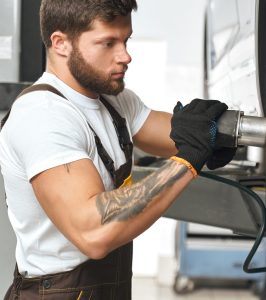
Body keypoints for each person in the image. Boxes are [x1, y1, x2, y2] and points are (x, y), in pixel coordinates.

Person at [0, 0, 234, 299]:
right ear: (61, 43)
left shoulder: (115, 101)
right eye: (107, 43)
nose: (125, 56)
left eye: (126, 40)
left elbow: (174, 134)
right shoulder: (42, 115)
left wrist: (221, 131)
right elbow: (94, 233)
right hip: (57, 292)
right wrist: (186, 162)